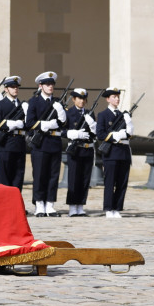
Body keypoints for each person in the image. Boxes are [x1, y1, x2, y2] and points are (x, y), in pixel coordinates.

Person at [26, 71, 67, 216]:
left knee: (53, 175)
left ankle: (50, 204)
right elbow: (29, 123)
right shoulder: (34, 101)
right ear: (40, 86)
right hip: (40, 143)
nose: (50, 87)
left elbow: (63, 123)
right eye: (47, 84)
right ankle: (39, 204)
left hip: (54, 143)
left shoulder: (57, 102)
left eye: (52, 84)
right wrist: (44, 124)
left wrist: (61, 112)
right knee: (40, 174)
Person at [96, 86, 133, 218]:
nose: (117, 99)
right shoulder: (103, 115)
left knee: (122, 183)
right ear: (108, 99)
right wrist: (114, 136)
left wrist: (128, 123)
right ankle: (108, 208)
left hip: (123, 152)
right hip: (111, 152)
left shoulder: (123, 115)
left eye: (118, 97)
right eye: (114, 97)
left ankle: (117, 208)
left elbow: (129, 134)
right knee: (110, 182)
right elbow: (100, 134)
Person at [64, 88, 96, 217]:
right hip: (75, 149)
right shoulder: (69, 113)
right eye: (79, 98)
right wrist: (71, 133)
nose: (82, 101)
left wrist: (93, 125)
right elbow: (61, 130)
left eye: (83, 99)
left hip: (87, 149)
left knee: (84, 178)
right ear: (73, 99)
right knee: (74, 178)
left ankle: (81, 206)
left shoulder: (90, 114)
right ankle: (72, 206)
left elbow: (94, 133)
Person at [0, 76, 27, 190]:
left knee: (18, 176)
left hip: (19, 144)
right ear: (6, 89)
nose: (15, 89)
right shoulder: (0, 104)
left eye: (17, 87)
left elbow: (30, 124)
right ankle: (5, 206)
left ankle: (16, 206)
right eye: (12, 87)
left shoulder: (23, 105)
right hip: (5, 144)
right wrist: (13, 124)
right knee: (5, 178)